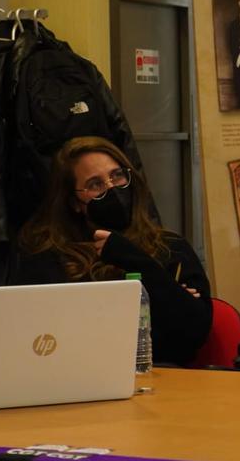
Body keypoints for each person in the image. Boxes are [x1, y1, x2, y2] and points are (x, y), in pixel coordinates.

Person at [13, 136, 212, 366]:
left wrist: (134, 260)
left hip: (166, 380)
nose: (111, 188)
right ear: (74, 202)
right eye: (95, 184)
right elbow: (55, 337)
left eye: (117, 175)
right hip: (81, 378)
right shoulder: (49, 256)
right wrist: (170, 291)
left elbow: (194, 332)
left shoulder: (170, 247)